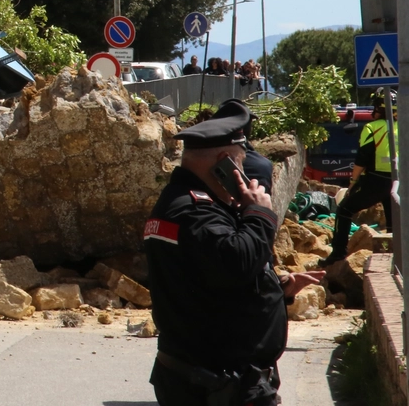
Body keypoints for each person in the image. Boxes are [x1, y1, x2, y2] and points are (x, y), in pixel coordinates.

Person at [145, 102, 321, 405]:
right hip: (217, 386)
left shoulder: (183, 204)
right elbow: (236, 263)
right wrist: (259, 214)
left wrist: (277, 288)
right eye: (239, 162)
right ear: (224, 163)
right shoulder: (195, 212)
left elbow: (208, 278)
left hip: (205, 379)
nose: (242, 171)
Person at [320, 96, 396, 266]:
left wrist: (353, 182)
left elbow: (362, 158)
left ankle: (338, 253)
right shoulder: (402, 126)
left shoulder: (372, 128)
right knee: (393, 219)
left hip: (376, 180)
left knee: (345, 209)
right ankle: (394, 254)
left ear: (379, 110)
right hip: (398, 181)